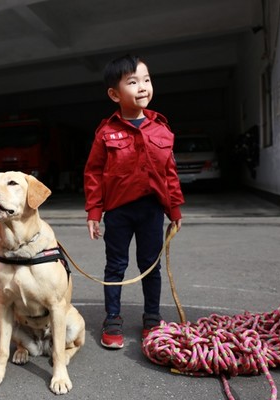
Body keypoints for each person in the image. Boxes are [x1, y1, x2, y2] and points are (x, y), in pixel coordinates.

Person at [83, 54, 184, 349]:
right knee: (115, 266)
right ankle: (112, 318)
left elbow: (170, 172)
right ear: (115, 94)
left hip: (152, 210)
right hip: (118, 211)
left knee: (149, 266)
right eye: (133, 82)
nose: (143, 87)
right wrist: (94, 211)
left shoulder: (161, 129)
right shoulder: (105, 133)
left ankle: (152, 318)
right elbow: (93, 173)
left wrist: (174, 208)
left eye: (147, 80)